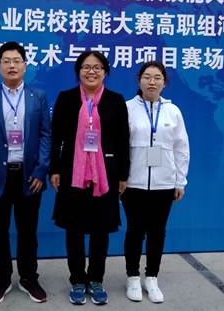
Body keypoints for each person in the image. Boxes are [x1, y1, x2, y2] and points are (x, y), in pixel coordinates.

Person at [0, 41, 51, 305]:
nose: (12, 65)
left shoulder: (38, 96)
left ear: (25, 65)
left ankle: (29, 278)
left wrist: (41, 169)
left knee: (28, 232)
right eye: (6, 61)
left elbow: (46, 135)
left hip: (29, 176)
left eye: (16, 61)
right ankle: (1, 280)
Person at [49, 51, 129, 306]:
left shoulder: (116, 100)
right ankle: (76, 279)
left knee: (100, 230)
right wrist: (54, 169)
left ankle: (96, 279)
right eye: (86, 67)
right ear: (78, 71)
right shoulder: (66, 98)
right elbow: (56, 137)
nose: (91, 71)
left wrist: (123, 174)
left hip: (106, 175)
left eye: (97, 67)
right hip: (72, 173)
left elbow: (123, 140)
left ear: (105, 72)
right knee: (74, 230)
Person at [122, 61, 190, 304]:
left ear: (164, 82)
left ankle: (151, 277)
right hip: (133, 183)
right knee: (134, 231)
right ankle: (132, 277)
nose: (152, 82)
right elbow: (119, 146)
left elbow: (181, 148)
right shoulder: (127, 108)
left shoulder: (173, 111)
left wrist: (180, 181)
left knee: (157, 231)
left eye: (157, 77)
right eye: (147, 77)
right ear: (139, 80)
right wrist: (120, 178)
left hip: (164, 184)